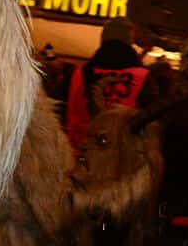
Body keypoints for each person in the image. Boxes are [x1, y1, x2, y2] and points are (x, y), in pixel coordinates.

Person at [62, 17, 149, 151]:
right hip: (120, 164)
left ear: (102, 39)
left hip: (78, 158)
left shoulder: (76, 75)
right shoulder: (144, 78)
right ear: (130, 41)